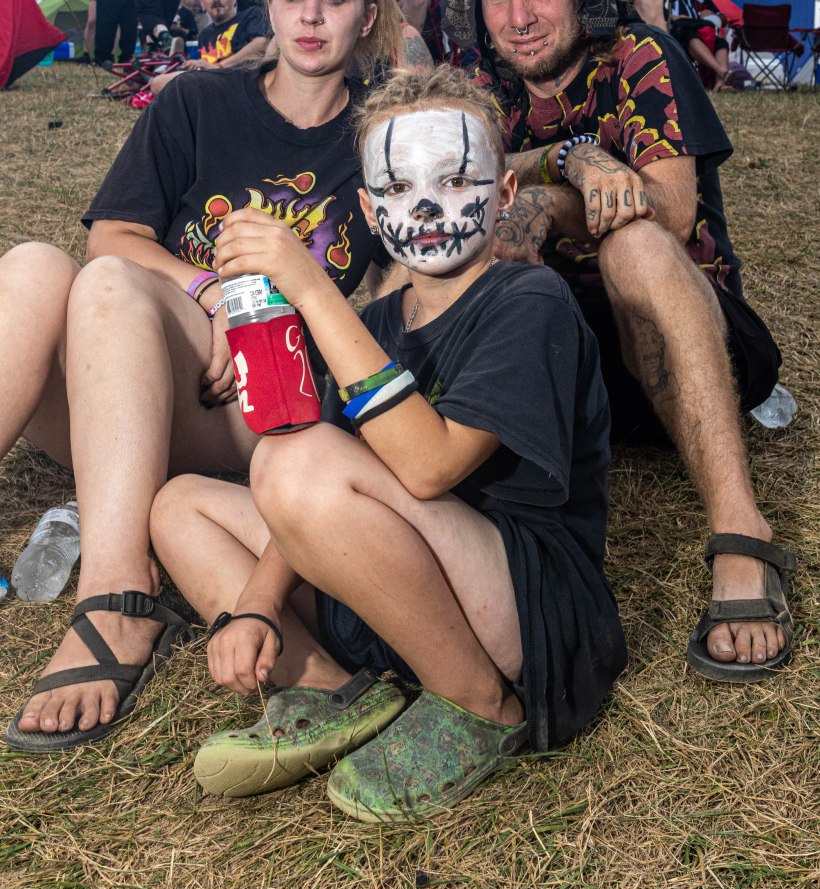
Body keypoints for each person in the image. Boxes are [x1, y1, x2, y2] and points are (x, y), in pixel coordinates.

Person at [148, 66, 627, 821]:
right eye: (398, 190)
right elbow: (305, 499)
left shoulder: (530, 301)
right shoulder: (373, 328)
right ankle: (333, 689)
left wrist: (312, 289)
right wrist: (257, 607)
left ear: (503, 194)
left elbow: (428, 465)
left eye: (457, 178)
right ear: (370, 209)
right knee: (180, 505)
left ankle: (477, 703)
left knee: (292, 459)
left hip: (519, 614)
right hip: (398, 595)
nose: (429, 206)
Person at [1, 0, 402, 754]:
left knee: (110, 284)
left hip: (270, 418)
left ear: (370, 13)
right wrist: (211, 291)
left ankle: (119, 596)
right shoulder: (198, 100)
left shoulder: (380, 136)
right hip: (135, 393)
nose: (311, 14)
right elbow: (113, 235)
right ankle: (122, 543)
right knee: (35, 268)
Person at [438, 0, 796, 680]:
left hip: (693, 339)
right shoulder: (480, 87)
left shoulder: (641, 57)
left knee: (630, 245)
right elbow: (467, 179)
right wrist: (572, 159)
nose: (518, 16)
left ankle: (741, 531)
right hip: (575, 373)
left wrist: (543, 199)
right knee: (468, 239)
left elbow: (670, 208)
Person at [150, 0, 269, 96]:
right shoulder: (204, 34)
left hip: (240, 80)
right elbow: (206, 65)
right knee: (157, 83)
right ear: (202, 4)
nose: (216, 1)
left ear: (234, 1)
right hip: (209, 81)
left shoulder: (251, 14)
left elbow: (261, 44)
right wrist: (197, 65)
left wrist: (220, 66)